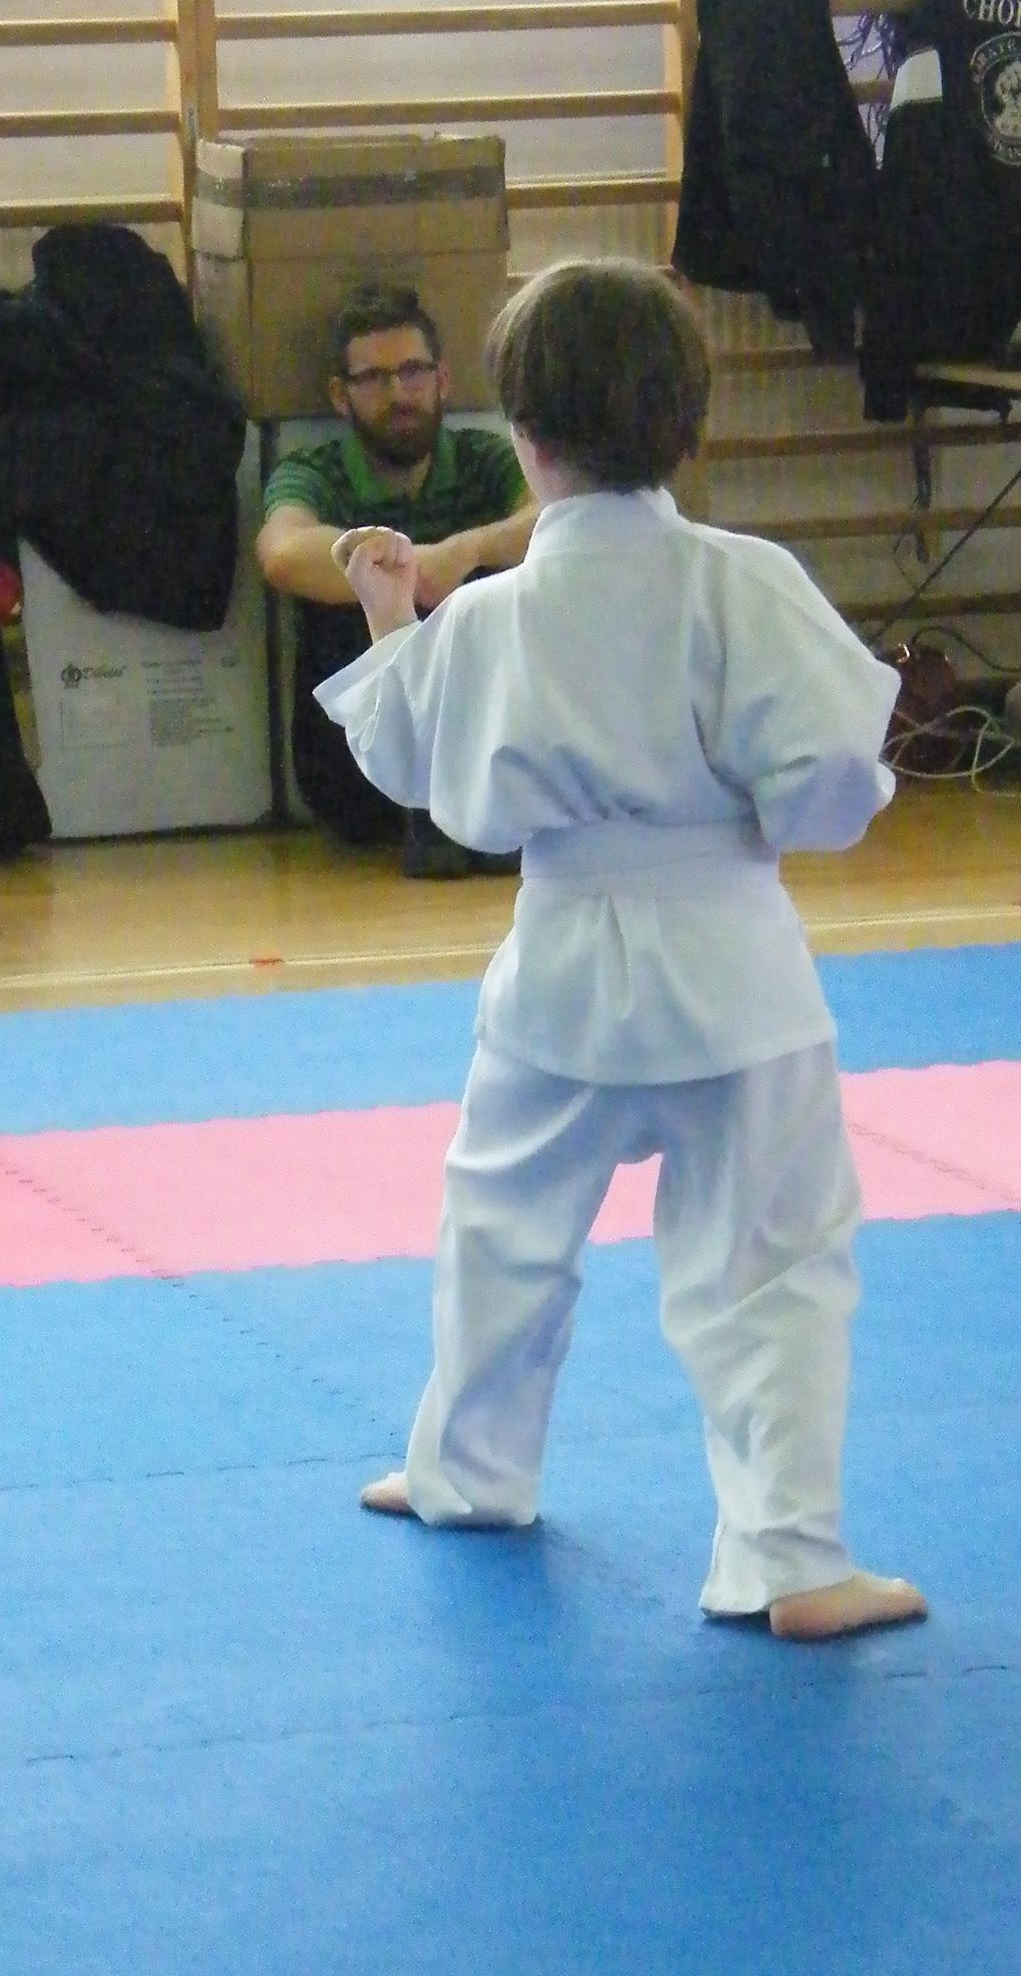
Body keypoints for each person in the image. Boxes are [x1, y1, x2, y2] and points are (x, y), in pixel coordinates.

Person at [316, 259, 927, 1640]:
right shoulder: (743, 583)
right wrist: (783, 814)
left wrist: (391, 613)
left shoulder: (497, 613)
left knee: (499, 1231)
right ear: (689, 427)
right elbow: (835, 776)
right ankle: (792, 1559)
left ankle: (468, 1472)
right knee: (777, 1267)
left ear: (523, 439)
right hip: (736, 972)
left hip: (560, 976)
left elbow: (409, 756)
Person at [255, 282, 539, 877]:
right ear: (341, 395)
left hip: (491, 752)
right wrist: (392, 572)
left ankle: (468, 802)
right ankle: (435, 802)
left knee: (497, 588)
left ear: (442, 379)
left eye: (413, 372)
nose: (398, 394)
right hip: (358, 778)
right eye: (373, 379)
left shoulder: (483, 457)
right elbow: (281, 551)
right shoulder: (314, 471)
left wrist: (465, 551)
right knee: (351, 588)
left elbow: (557, 516)